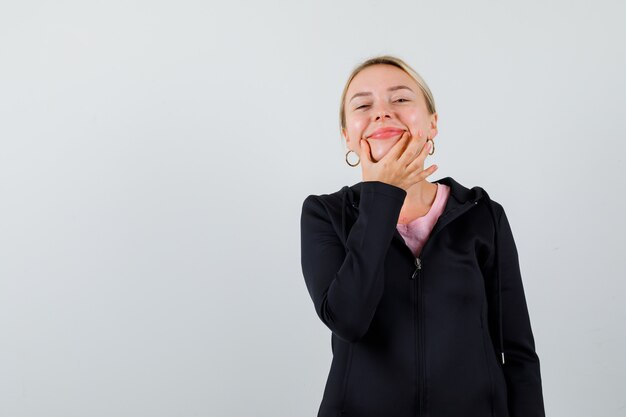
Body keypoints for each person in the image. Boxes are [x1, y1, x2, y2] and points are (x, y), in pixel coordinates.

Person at [299, 55, 546, 417]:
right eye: (363, 104)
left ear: (432, 124)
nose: (382, 112)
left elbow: (519, 353)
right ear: (347, 136)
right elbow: (348, 319)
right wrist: (381, 195)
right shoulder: (324, 213)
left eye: (400, 99)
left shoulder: (483, 215)